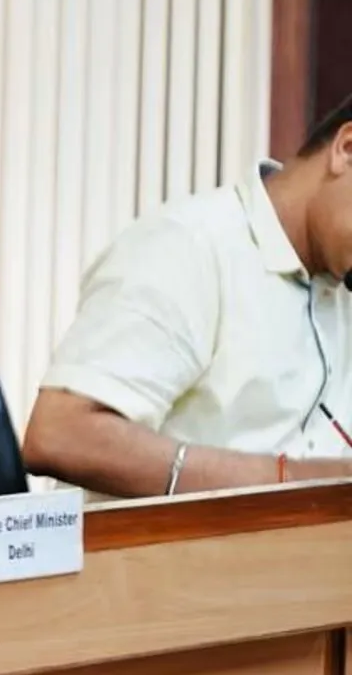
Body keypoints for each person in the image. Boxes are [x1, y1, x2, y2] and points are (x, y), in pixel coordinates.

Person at [23, 98, 352, 500]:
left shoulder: (339, 280)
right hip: (156, 559)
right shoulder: (188, 247)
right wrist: (291, 479)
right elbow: (61, 434)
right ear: (346, 148)